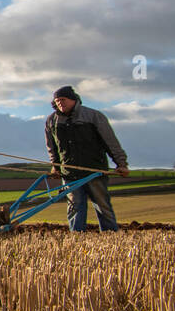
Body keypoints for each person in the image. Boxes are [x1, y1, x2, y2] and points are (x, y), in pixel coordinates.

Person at [44, 85, 129, 232]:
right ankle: (77, 238)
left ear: (73, 99)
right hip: (69, 172)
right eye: (57, 101)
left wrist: (121, 163)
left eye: (63, 100)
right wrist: (55, 166)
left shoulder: (93, 116)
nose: (60, 104)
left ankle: (110, 235)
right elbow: (52, 148)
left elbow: (110, 142)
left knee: (102, 205)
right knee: (74, 206)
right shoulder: (52, 121)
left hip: (94, 170)